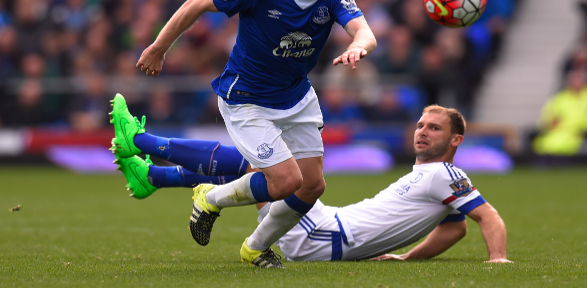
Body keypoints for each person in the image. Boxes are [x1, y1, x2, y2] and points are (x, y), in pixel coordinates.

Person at [108, 0, 377, 268]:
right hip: (247, 98)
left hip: (295, 97)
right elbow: (197, 2)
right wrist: (159, 48)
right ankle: (209, 197)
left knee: (311, 186)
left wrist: (358, 46)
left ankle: (255, 247)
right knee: (285, 181)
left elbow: (365, 31)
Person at [111, 105, 510, 264]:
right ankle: (153, 176)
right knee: (262, 167)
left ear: (455, 140)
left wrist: (498, 259)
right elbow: (454, 226)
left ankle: (145, 144)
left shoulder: (447, 175)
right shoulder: (431, 179)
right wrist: (407, 259)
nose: (422, 132)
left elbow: (486, 217)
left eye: (434, 128)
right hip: (324, 226)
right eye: (421, 125)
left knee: (262, 164)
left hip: (321, 235)